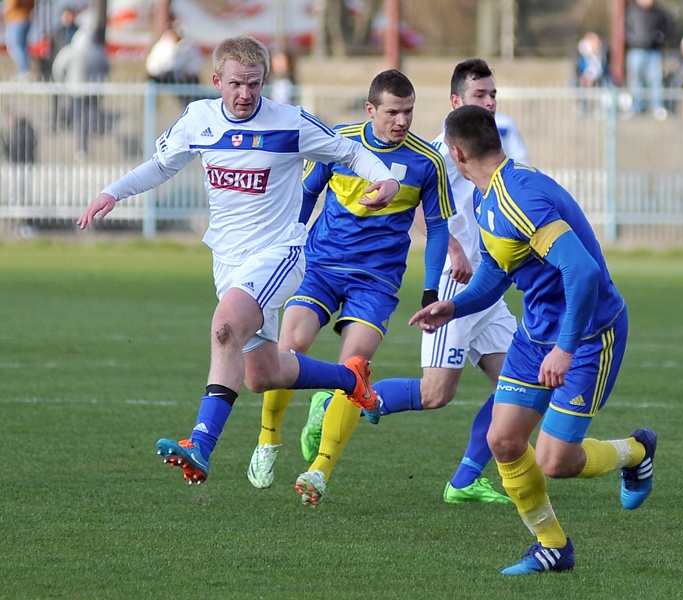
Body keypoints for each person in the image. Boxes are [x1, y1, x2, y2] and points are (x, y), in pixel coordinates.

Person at [76, 35, 401, 485]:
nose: (245, 94)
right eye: (235, 84)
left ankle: (201, 445)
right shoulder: (199, 118)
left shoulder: (290, 122)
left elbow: (349, 152)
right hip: (227, 260)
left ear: (265, 80)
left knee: (224, 326)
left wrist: (384, 179)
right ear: (216, 81)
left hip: (279, 252)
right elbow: (160, 165)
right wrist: (113, 191)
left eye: (253, 84)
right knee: (262, 374)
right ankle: (351, 382)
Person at [410, 104, 656, 575]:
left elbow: (581, 271)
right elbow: (498, 271)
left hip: (589, 335)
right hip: (536, 332)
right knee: (503, 440)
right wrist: (455, 306)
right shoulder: (489, 198)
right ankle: (552, 547)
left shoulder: (518, 197)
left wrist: (566, 347)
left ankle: (637, 450)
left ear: (457, 153)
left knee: (556, 460)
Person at [246, 69, 453, 505]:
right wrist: (287, 244)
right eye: (393, 112)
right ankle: (268, 439)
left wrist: (431, 291)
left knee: (354, 369)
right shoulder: (338, 141)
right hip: (320, 265)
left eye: (409, 111)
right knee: (290, 346)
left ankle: (319, 472)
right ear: (371, 110)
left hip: (376, 281)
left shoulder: (427, 162)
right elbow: (304, 195)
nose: (402, 120)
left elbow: (436, 231)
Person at [336, 58, 528, 506]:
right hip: (454, 287)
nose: (490, 102)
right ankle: (336, 399)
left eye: (494, 94)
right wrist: (456, 249)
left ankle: (465, 480)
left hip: (489, 287)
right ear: (456, 101)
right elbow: (418, 203)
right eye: (481, 95)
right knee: (435, 393)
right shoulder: (437, 151)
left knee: (519, 387)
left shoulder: (493, 144)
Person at [51, 23, 110, 160]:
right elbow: (107, 67)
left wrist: (62, 83)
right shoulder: (97, 50)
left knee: (78, 117)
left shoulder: (70, 51)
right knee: (92, 113)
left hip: (75, 89)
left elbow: (58, 68)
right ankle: (94, 133)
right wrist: (101, 79)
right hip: (93, 89)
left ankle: (81, 145)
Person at [624, 0, 669, 120]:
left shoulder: (659, 13)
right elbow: (625, 29)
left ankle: (657, 107)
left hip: (654, 51)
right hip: (636, 50)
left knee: (655, 79)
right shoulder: (631, 12)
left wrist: (658, 38)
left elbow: (666, 29)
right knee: (635, 79)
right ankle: (637, 106)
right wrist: (632, 40)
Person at [145, 25, 204, 105]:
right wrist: (161, 72)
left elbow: (197, 61)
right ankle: (151, 105)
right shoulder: (160, 46)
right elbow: (152, 64)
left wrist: (187, 71)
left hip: (182, 77)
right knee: (150, 82)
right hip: (164, 76)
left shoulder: (187, 46)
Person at [574, 32, 608, 116]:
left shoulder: (603, 54)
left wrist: (593, 76)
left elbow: (603, 68)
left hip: (599, 78)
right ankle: (582, 106)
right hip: (584, 78)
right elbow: (579, 68)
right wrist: (586, 76)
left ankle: (600, 107)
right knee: (577, 83)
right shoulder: (582, 54)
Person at [4, 0, 35, 80]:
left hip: (15, 19)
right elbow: (32, 5)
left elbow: (11, 4)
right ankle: (23, 70)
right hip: (26, 18)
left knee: (15, 46)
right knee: (21, 46)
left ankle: (23, 71)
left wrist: (5, 11)